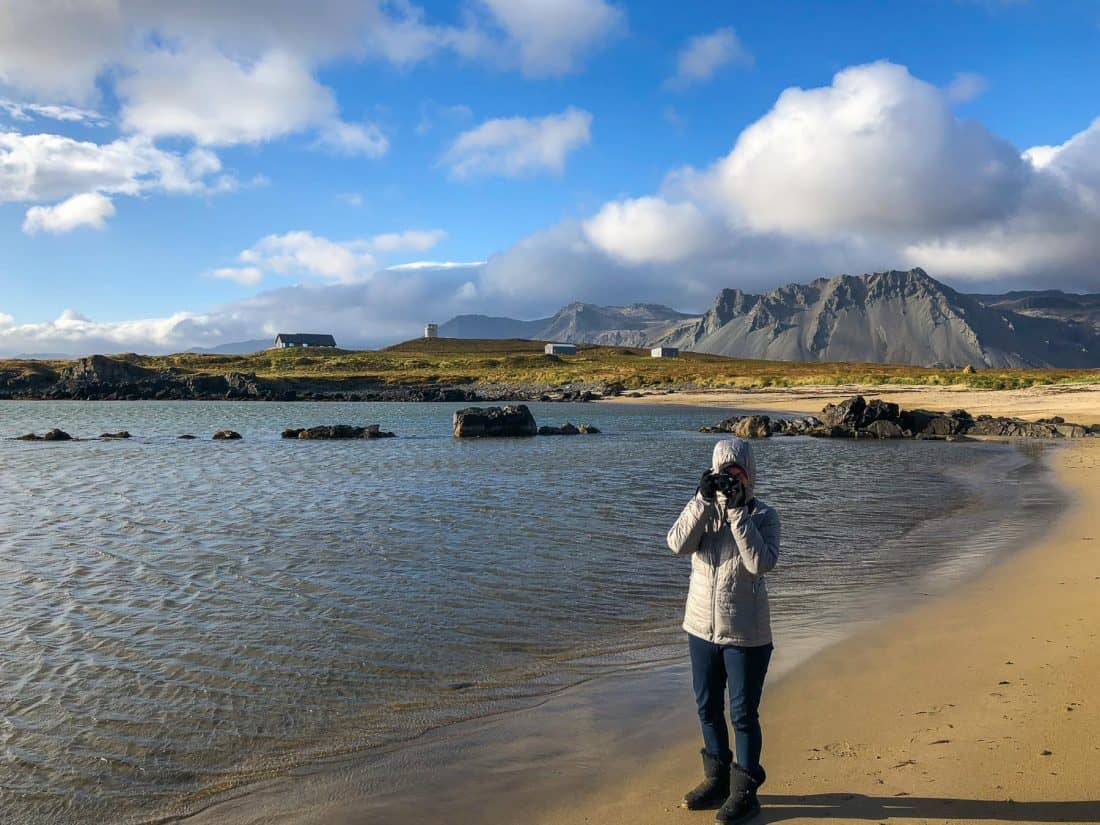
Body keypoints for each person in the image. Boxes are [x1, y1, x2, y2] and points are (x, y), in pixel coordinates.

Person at [666, 437, 779, 824]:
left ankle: (745, 792)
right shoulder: (702, 511)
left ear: (749, 476)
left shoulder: (764, 515)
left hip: (746, 635)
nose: (731, 481)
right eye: (723, 475)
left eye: (738, 474)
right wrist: (701, 500)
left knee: (743, 714)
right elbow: (677, 544)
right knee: (707, 707)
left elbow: (760, 563)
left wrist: (737, 513)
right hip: (699, 627)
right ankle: (716, 780)